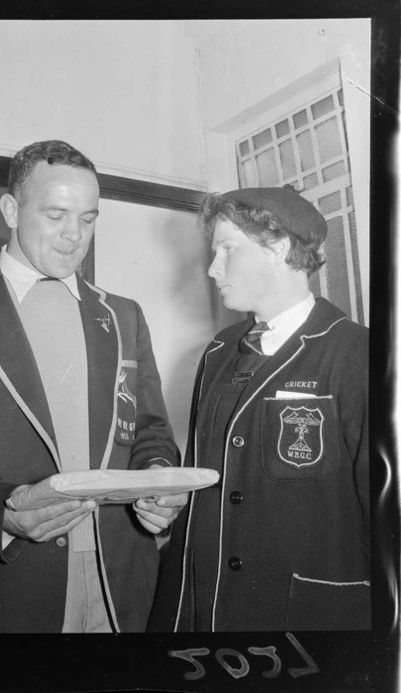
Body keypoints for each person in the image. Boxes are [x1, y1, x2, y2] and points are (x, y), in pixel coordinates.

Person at [0, 140, 186, 633]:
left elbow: (150, 431)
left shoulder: (123, 316)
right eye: (56, 215)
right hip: (8, 584)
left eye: (88, 219)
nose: (74, 236)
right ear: (11, 209)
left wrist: (161, 483)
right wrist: (5, 516)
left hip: (122, 580)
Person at [148, 186, 370, 632]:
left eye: (227, 249)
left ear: (279, 247)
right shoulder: (218, 351)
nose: (213, 269)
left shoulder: (357, 352)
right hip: (201, 611)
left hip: (302, 620)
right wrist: (169, 503)